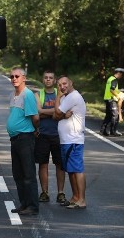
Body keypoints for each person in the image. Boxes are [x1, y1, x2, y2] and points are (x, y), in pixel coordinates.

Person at [6, 67, 40, 215]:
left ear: (24, 78)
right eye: (12, 76)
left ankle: (32, 206)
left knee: (28, 174)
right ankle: (24, 204)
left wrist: (34, 130)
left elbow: (36, 118)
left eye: (17, 76)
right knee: (18, 174)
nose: (14, 78)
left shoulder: (28, 95)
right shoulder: (13, 94)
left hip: (25, 138)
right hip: (15, 139)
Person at [54, 75, 87, 209]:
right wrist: (61, 114)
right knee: (71, 170)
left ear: (71, 83)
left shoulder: (73, 96)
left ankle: (82, 199)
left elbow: (56, 111)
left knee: (77, 170)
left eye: (64, 84)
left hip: (73, 139)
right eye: (60, 85)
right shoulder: (65, 97)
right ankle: (75, 197)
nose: (62, 87)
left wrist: (57, 97)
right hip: (66, 140)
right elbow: (55, 116)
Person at [35, 71, 67, 204]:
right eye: (46, 78)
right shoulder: (38, 94)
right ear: (43, 80)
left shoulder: (61, 94)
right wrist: (56, 112)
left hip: (59, 134)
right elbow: (37, 113)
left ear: (54, 81)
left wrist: (43, 111)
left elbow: (63, 113)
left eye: (51, 78)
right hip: (42, 134)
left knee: (60, 165)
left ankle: (60, 193)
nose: (48, 80)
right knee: (43, 164)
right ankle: (44, 192)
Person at [100, 67, 124, 136]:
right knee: (115, 115)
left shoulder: (110, 78)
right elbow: (111, 90)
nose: (121, 76)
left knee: (108, 116)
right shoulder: (114, 80)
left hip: (107, 98)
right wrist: (118, 96)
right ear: (118, 73)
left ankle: (103, 130)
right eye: (121, 74)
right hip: (111, 99)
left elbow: (113, 89)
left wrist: (121, 90)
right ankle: (113, 131)